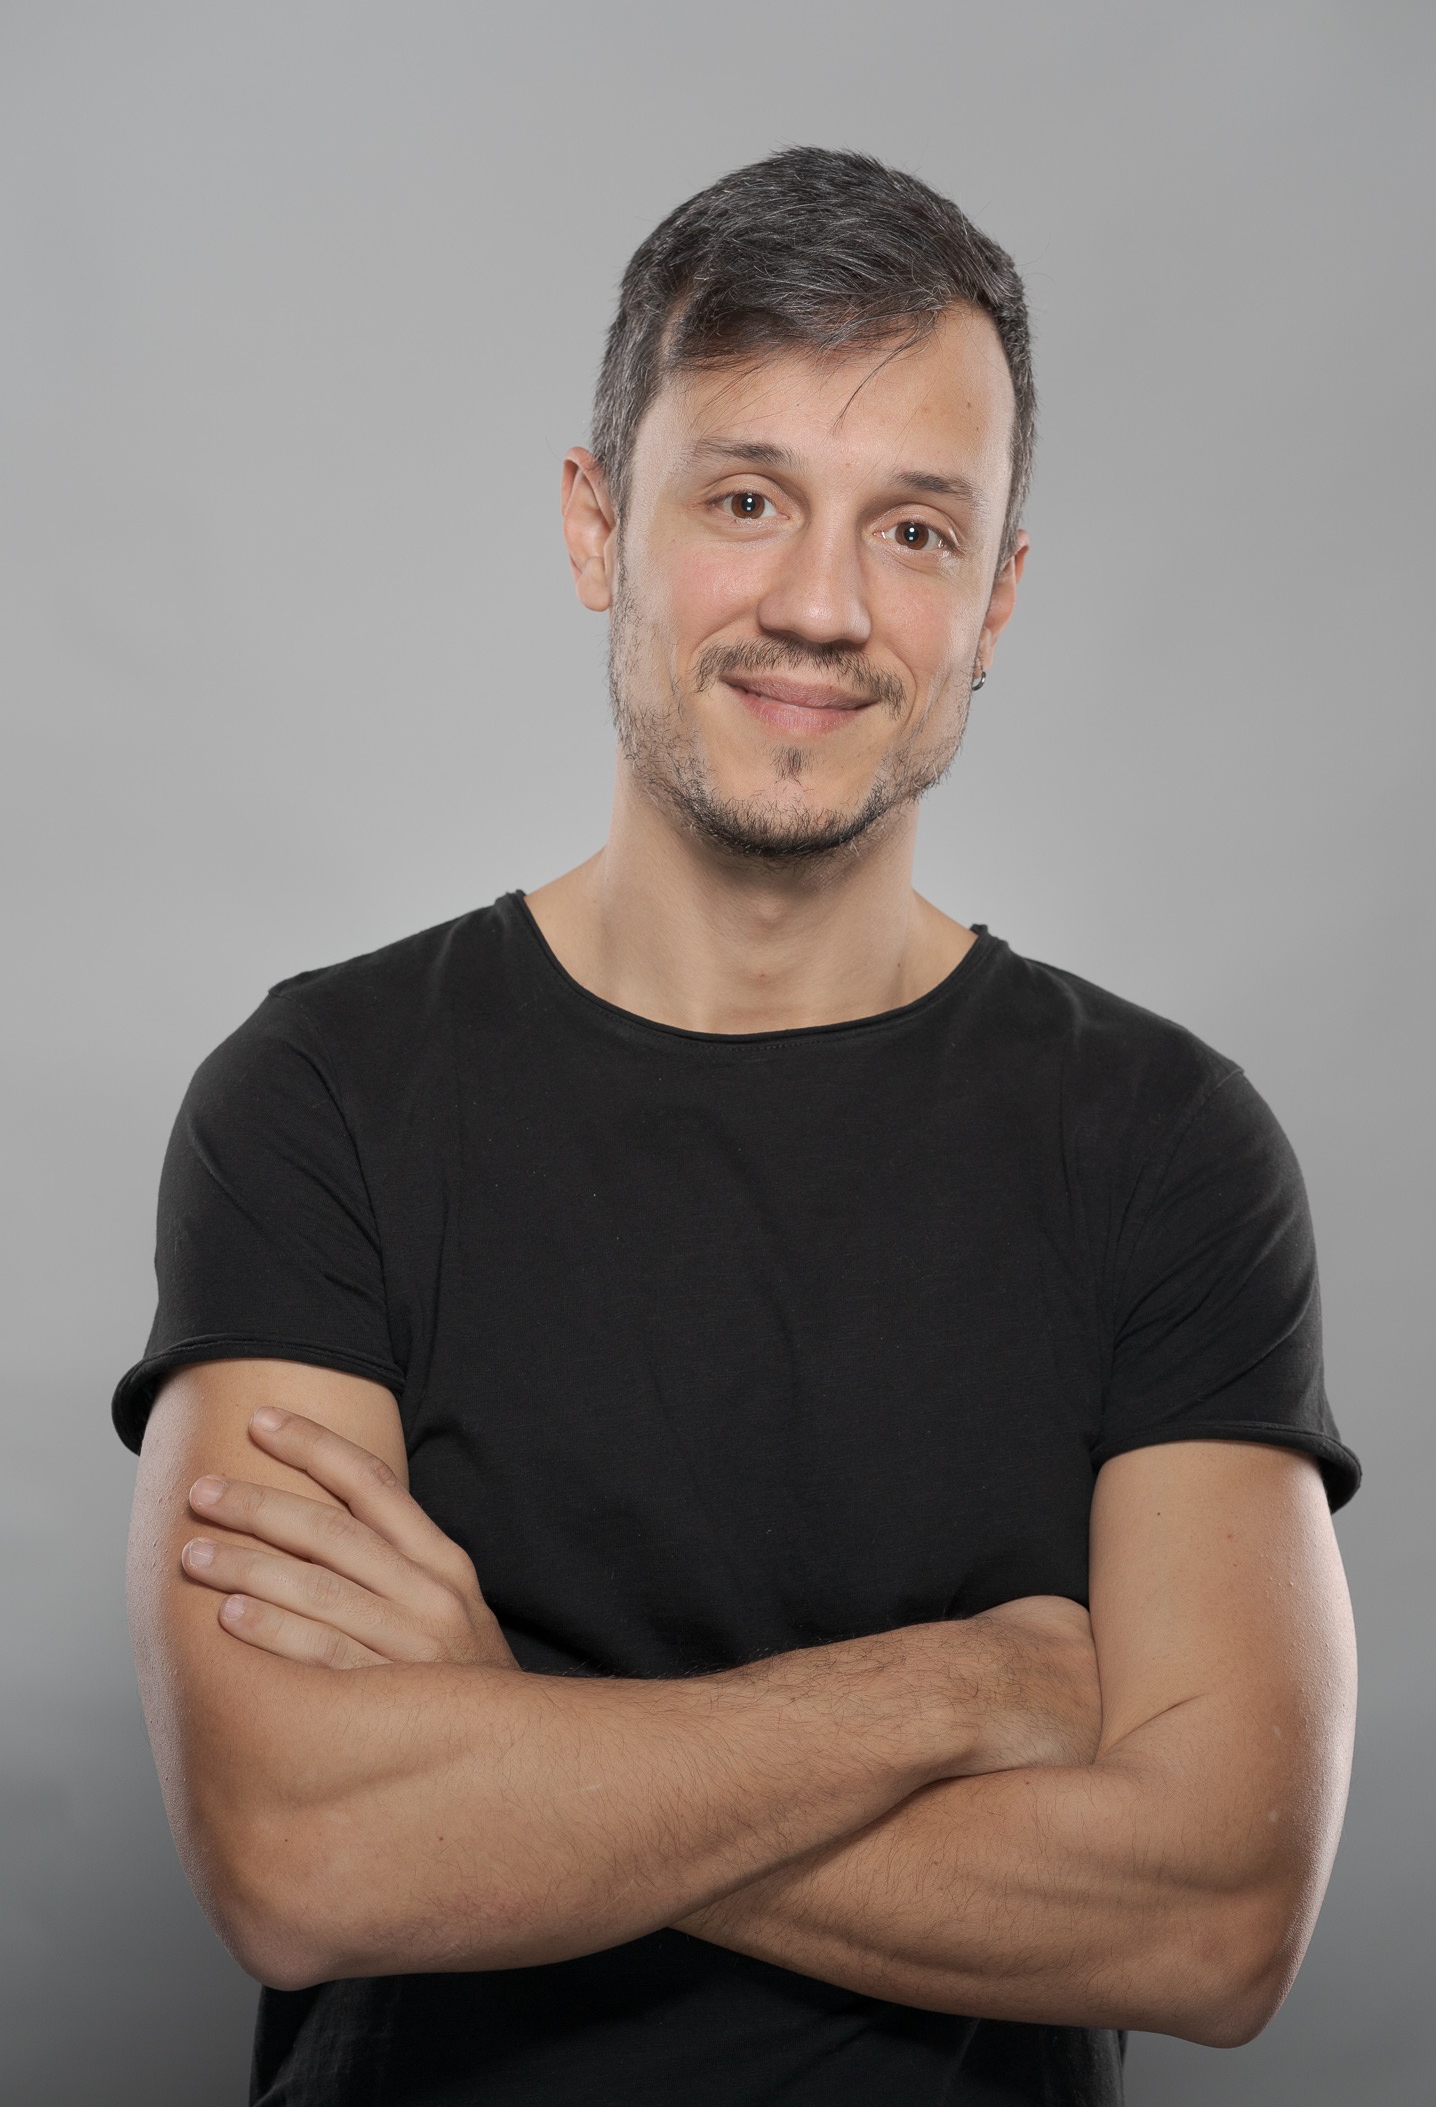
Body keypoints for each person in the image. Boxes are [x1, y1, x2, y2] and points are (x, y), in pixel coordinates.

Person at [116, 147, 1359, 2107]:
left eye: (915, 529)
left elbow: (1215, 1919)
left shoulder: (1163, 1148)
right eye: (748, 499)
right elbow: (299, 1853)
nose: (820, 606)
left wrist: (509, 1746)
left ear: (996, 597)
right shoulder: (322, 1099)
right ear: (596, 523)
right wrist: (963, 1686)